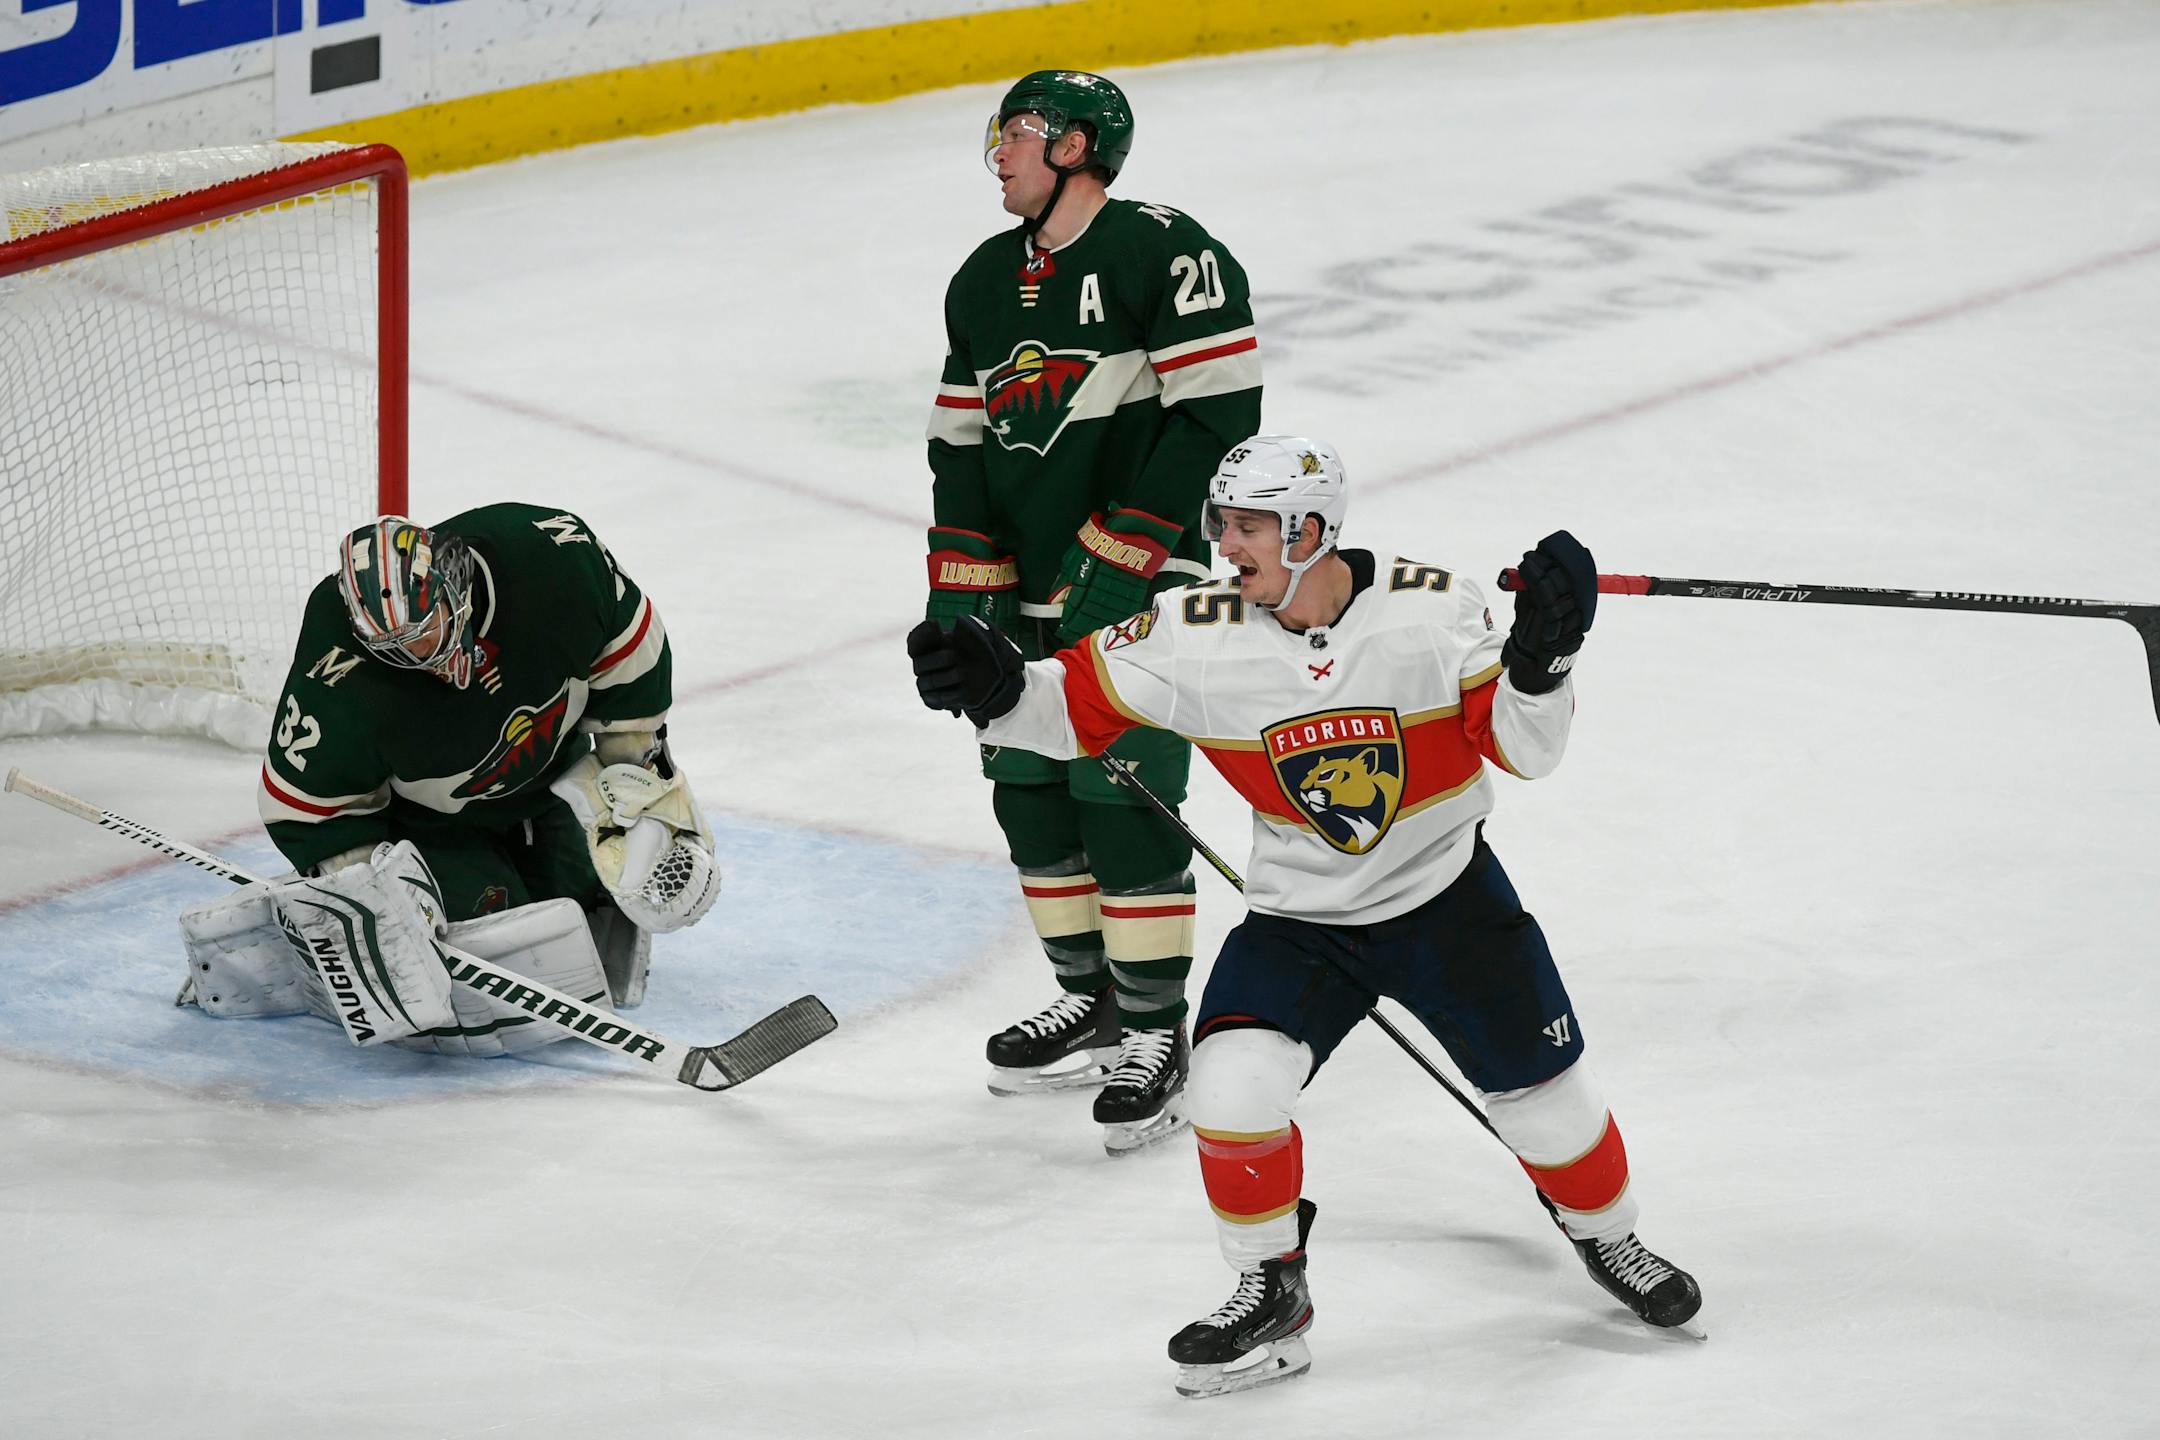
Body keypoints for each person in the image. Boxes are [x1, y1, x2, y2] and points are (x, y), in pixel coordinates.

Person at [907, 436, 1702, 1396]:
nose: (1224, 543)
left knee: (1549, 1106)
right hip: (1299, 922)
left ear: (1313, 531)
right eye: (1221, 522)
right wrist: (995, 686)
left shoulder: (1432, 610)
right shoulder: (1189, 630)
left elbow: (1525, 752)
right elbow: (1068, 707)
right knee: (1231, 1091)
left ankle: (1609, 1239)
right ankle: (1270, 1290)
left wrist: (1541, 666)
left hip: (1446, 900)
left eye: (1248, 528)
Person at [924, 68, 1264, 1154]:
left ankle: (1157, 1027)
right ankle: (1093, 994)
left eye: (1019, 134)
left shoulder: (1166, 250)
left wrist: (1133, 552)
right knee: (1028, 793)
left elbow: (1217, 415)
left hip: (1140, 586)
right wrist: (957, 589)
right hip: (1019, 593)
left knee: (1122, 800)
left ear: (1077, 146)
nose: (1000, 154)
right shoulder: (981, 281)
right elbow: (961, 445)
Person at [231, 504, 719, 1054]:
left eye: (421, 632)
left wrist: (643, 787)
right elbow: (307, 807)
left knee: (592, 917)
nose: (416, 657)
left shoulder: (550, 561)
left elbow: (629, 660)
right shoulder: (337, 677)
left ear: (452, 580)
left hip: (548, 787)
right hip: (431, 829)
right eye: (390, 648)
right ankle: (312, 941)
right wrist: (374, 889)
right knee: (502, 952)